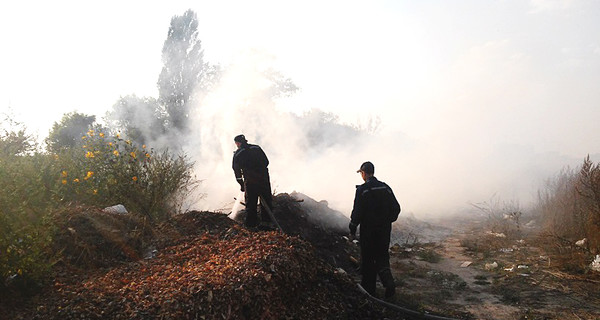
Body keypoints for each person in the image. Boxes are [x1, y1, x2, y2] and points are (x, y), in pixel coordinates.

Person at [349, 161, 401, 298]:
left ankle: (369, 292)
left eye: (361, 173)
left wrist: (352, 228)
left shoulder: (362, 190)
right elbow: (396, 208)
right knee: (382, 257)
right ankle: (389, 284)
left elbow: (357, 212)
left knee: (368, 260)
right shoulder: (385, 187)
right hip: (384, 232)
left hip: (368, 232)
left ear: (363, 173)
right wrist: (387, 221)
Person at [232, 134, 273, 228]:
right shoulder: (257, 148)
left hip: (250, 182)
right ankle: (267, 224)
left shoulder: (238, 154)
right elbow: (266, 162)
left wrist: (241, 184)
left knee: (251, 203)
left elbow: (236, 171)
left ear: (238, 143)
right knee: (266, 201)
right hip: (264, 179)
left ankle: (251, 225)